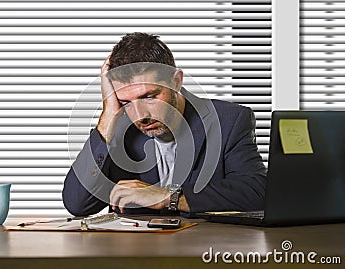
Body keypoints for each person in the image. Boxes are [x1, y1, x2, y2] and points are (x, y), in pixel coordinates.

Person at [63, 32, 266, 216]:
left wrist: (170, 197)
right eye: (126, 102)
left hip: (204, 251)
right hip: (137, 254)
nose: (140, 116)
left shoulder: (229, 121)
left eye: (149, 97)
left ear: (176, 81)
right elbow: (77, 204)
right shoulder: (118, 129)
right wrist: (107, 117)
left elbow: (258, 192)